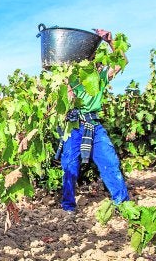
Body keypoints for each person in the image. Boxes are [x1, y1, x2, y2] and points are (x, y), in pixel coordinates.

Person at [55, 29, 130, 213]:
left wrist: (110, 41)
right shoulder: (70, 79)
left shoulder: (100, 78)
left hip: (93, 126)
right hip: (73, 126)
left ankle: (123, 203)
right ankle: (68, 207)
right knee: (70, 165)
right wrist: (67, 88)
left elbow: (122, 61)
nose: (95, 64)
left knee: (110, 163)